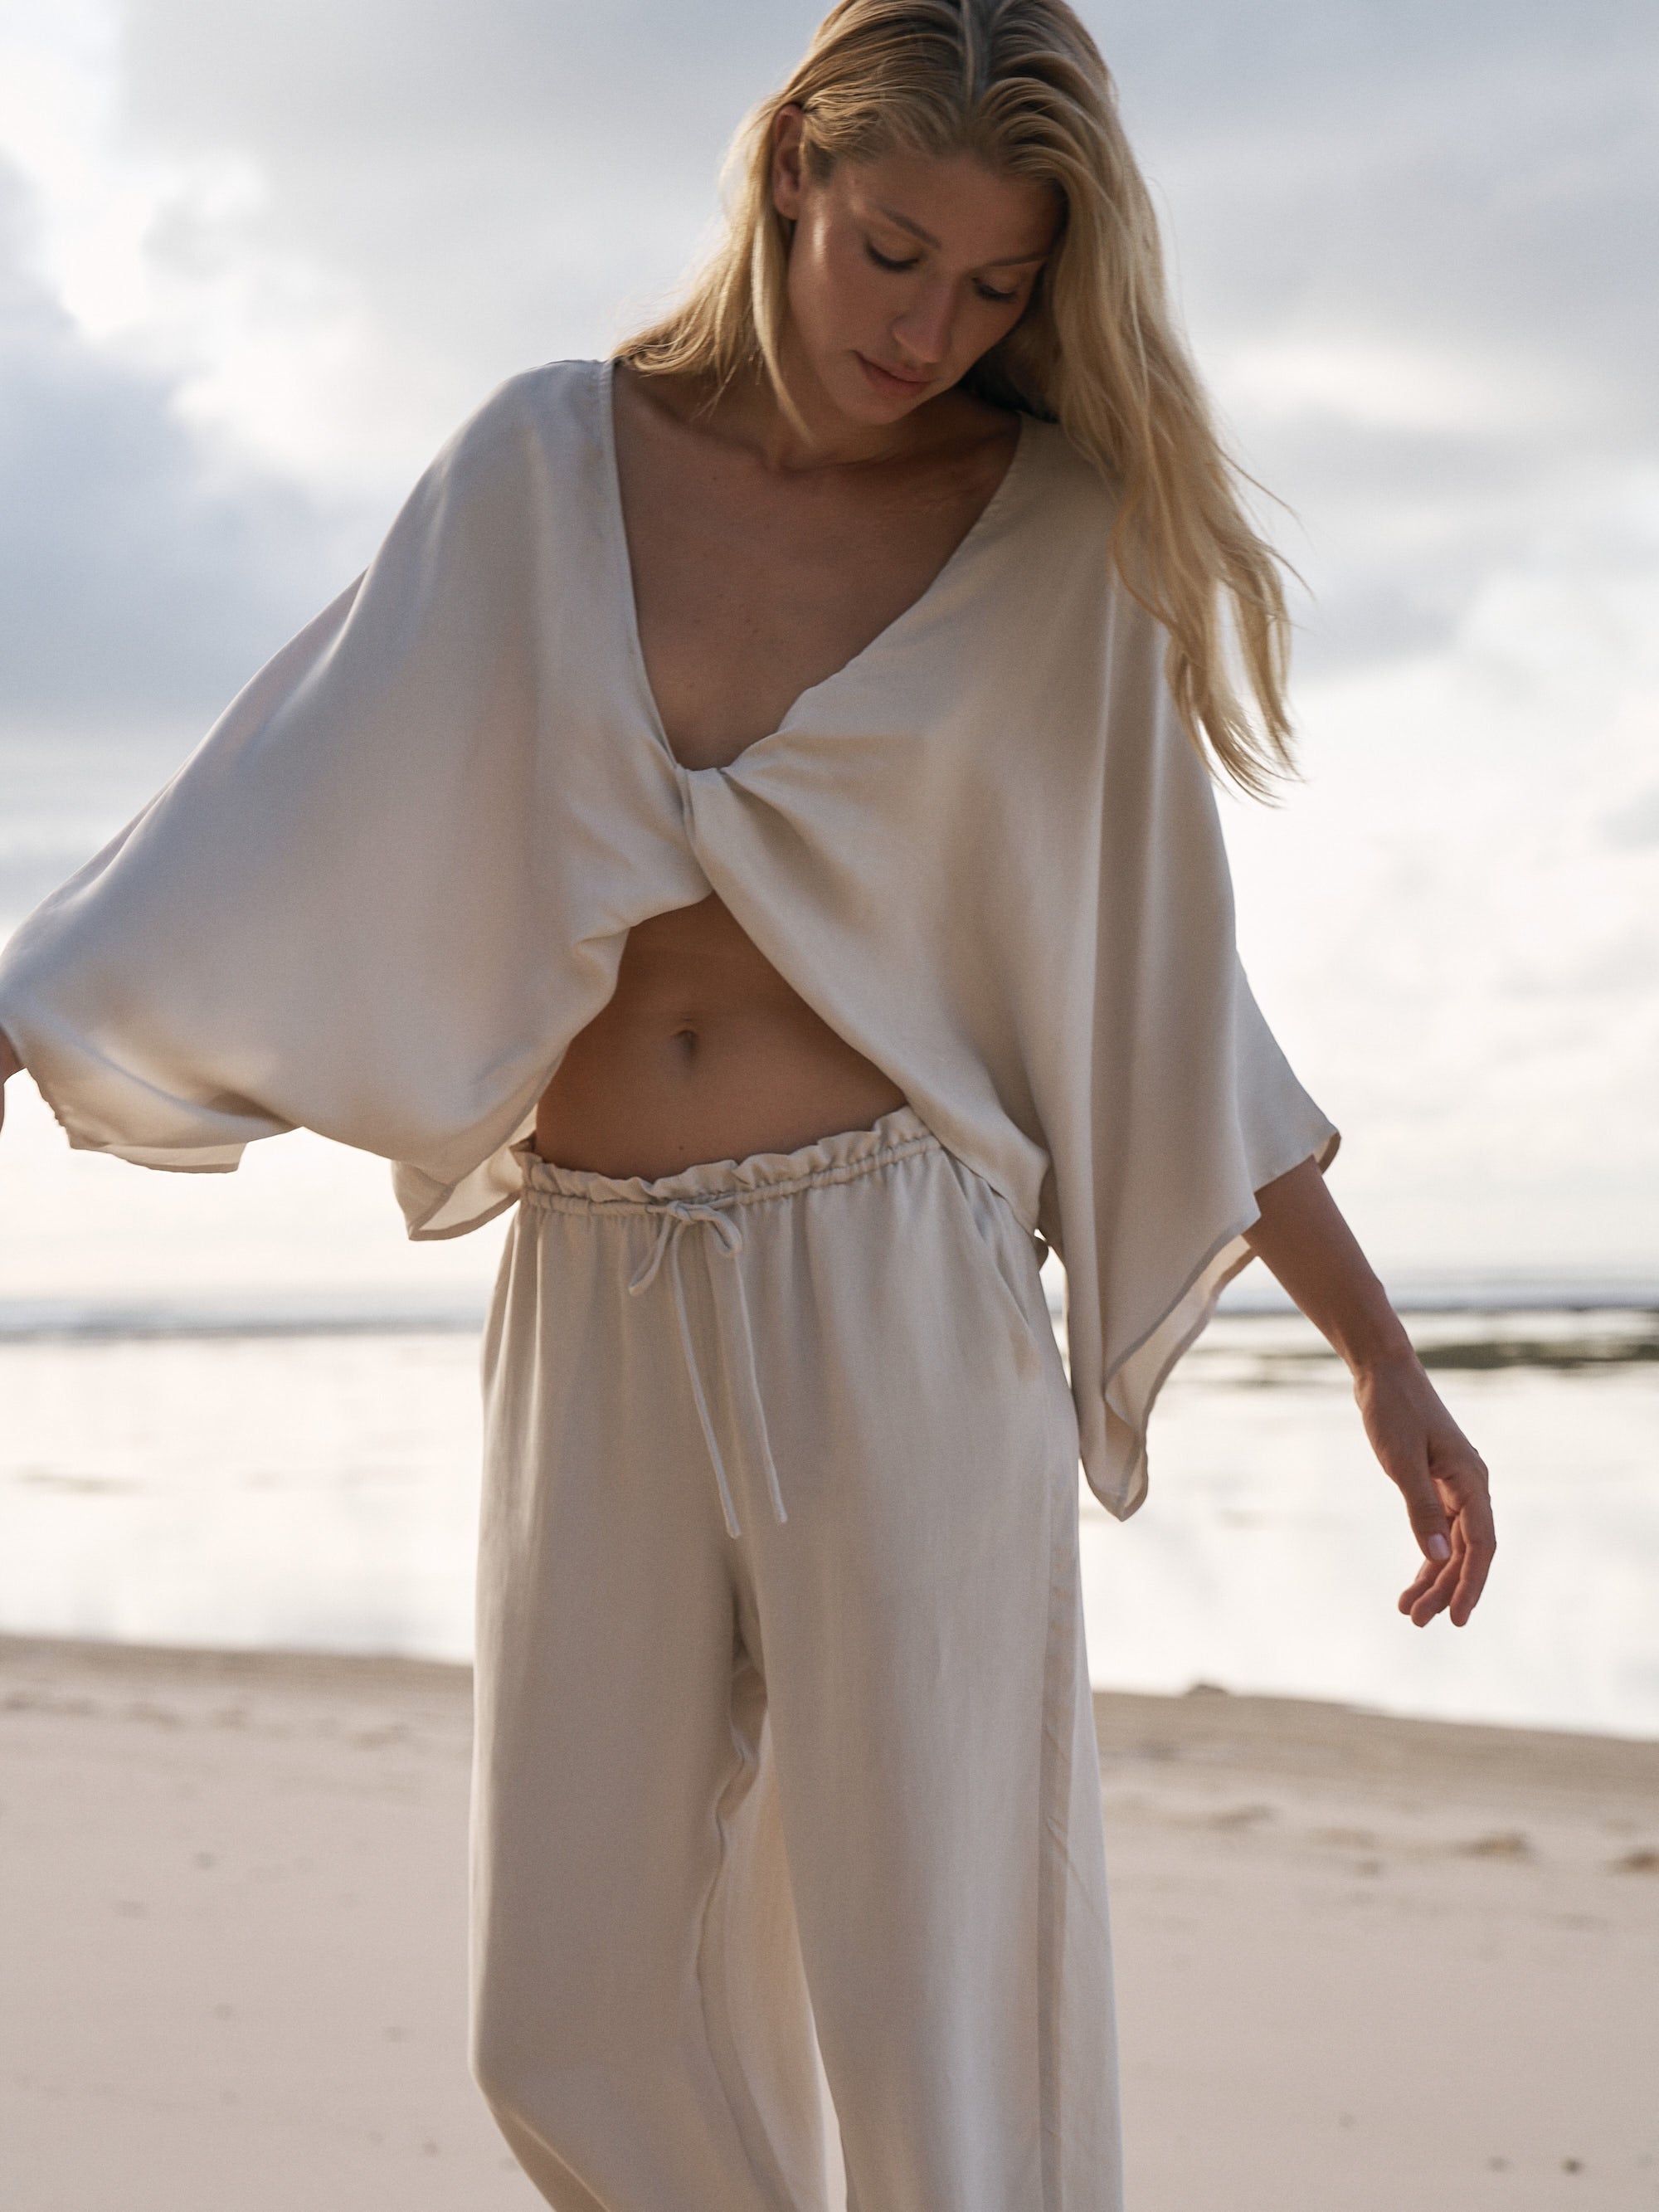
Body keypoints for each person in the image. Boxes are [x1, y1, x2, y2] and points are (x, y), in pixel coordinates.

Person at [0, 2, 1496, 2205]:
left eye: (993, 286)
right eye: (895, 252)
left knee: (939, 2014)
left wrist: (1377, 1353)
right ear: (796, 165)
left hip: (899, 1285)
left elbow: (1171, 996)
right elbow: (266, 809)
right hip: (592, 1290)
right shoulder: (542, 468)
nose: (930, 328)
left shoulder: (1054, 540)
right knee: (570, 2016)